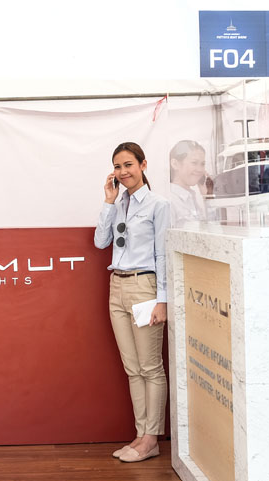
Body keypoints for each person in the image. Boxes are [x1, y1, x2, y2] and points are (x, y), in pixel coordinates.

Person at [94, 142, 170, 463]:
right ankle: (141, 435)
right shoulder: (119, 203)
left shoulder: (158, 205)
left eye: (128, 165)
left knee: (150, 367)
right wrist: (108, 202)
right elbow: (101, 241)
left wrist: (162, 300)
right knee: (133, 368)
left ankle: (152, 438)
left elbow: (163, 254)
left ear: (143, 165)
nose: (123, 172)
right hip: (118, 286)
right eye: (117, 166)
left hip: (144, 287)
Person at [168, 140, 209, 228]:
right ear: (175, 164)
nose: (200, 169)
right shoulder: (169, 201)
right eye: (194, 163)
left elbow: (213, 230)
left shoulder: (192, 198)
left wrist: (207, 196)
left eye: (202, 164)